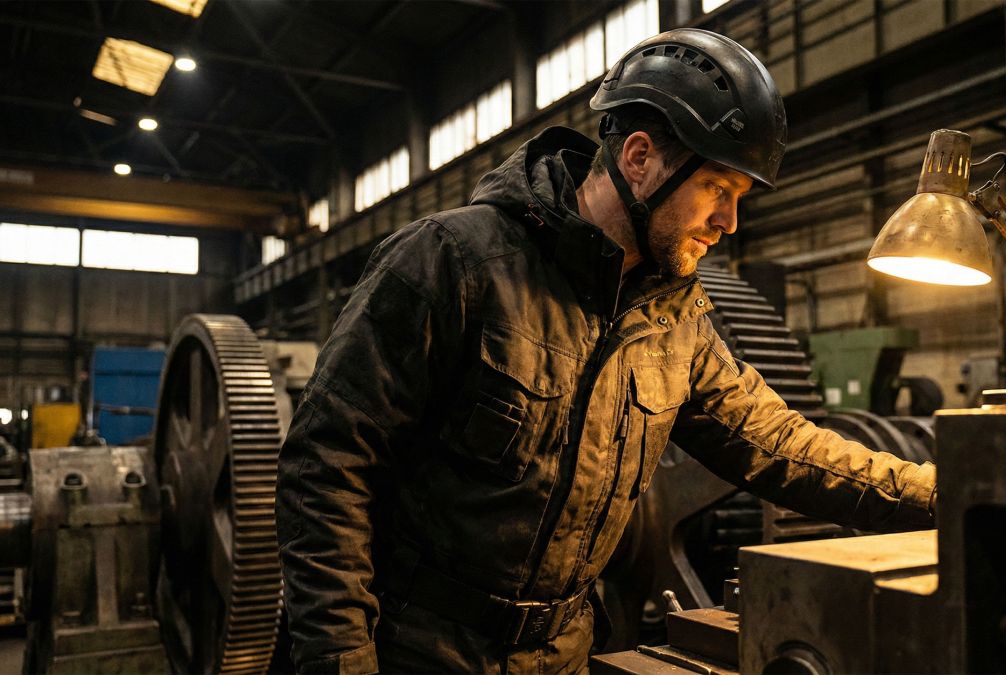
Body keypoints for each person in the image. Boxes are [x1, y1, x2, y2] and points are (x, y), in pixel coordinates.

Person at [276, 27, 936, 674]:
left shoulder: (672, 320)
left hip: (563, 653)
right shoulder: (454, 262)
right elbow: (327, 468)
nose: (729, 222)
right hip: (420, 649)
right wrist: (339, 659)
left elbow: (782, 446)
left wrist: (946, 491)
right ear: (640, 159)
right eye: (718, 188)